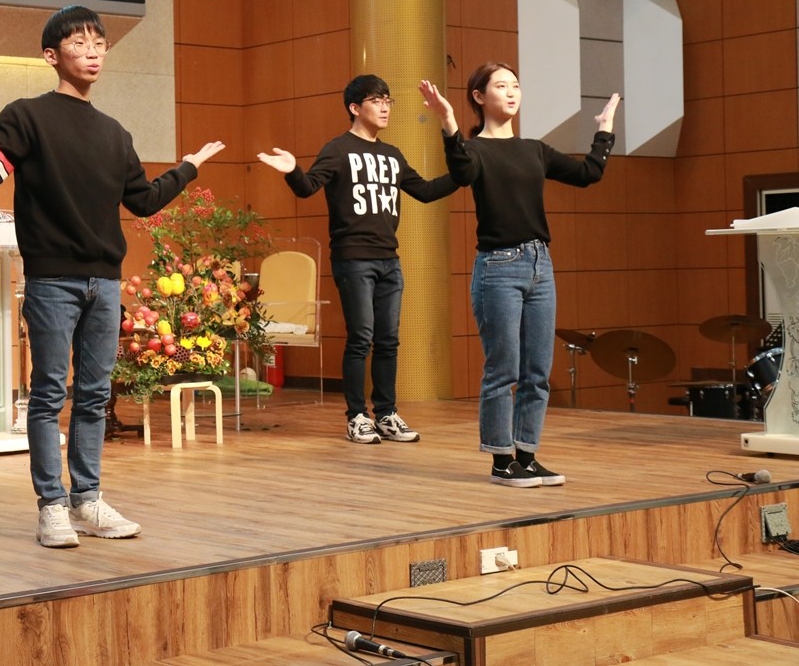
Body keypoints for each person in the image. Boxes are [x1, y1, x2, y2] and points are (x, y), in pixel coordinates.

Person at [0, 5, 224, 548]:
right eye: (79, 43)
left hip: (105, 282)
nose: (93, 52)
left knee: (95, 394)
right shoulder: (25, 116)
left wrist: (187, 167)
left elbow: (144, 201)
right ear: (51, 55)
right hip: (53, 280)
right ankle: (51, 505)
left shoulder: (115, 133)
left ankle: (88, 500)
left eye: (99, 43)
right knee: (50, 392)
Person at [420, 63, 619, 487]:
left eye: (515, 85)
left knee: (537, 370)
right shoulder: (475, 150)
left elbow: (589, 173)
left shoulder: (534, 150)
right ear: (479, 97)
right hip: (499, 266)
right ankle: (500, 459)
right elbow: (461, 171)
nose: (511, 92)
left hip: (540, 264)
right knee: (503, 369)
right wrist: (448, 122)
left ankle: (526, 456)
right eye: (501, 86)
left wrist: (604, 129)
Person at [258, 74, 457, 445]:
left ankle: (386, 413)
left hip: (389, 260)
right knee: (361, 337)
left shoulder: (392, 154)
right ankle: (356, 417)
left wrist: (464, 173)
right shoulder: (338, 149)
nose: (385, 107)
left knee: (388, 339)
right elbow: (307, 187)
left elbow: (427, 191)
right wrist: (292, 170)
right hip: (353, 259)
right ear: (355, 107)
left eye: (388, 100)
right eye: (376, 100)